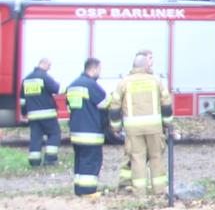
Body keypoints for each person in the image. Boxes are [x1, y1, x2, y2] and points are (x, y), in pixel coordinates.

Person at [108, 52, 173, 194]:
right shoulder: (156, 81)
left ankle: (140, 192)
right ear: (145, 66)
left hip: (133, 130)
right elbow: (167, 104)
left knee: (137, 158)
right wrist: (167, 124)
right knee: (156, 157)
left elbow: (114, 106)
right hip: (154, 128)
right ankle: (160, 191)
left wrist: (116, 126)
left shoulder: (124, 83)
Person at [65, 58, 108, 196]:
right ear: (93, 69)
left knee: (80, 161)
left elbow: (69, 108)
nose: (100, 73)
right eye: (99, 69)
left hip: (76, 131)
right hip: (91, 132)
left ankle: (79, 189)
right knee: (91, 161)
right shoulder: (91, 85)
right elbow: (105, 104)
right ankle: (88, 192)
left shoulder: (72, 85)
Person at [20, 57, 60, 167]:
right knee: (54, 134)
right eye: (49, 65)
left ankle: (34, 162)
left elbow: (22, 100)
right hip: (47, 114)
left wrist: (24, 112)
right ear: (44, 64)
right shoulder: (44, 77)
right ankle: (50, 160)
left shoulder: (26, 79)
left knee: (36, 138)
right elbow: (56, 89)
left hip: (33, 115)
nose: (49, 68)